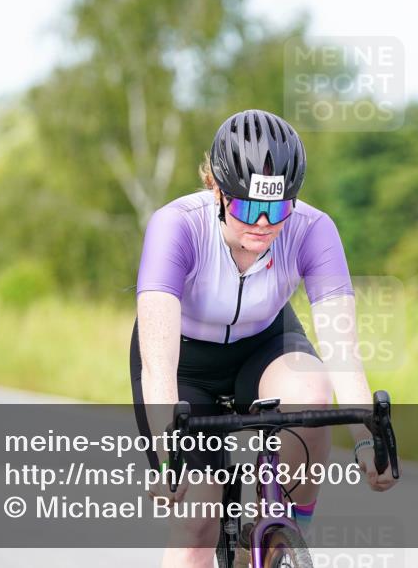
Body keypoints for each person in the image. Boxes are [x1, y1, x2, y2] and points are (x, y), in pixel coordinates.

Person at [130, 109, 396, 567]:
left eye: (277, 208)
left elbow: (341, 349)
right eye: (247, 206)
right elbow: (158, 365)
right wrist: (165, 453)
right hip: (185, 365)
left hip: (264, 345)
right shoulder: (176, 226)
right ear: (216, 190)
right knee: (196, 522)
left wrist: (367, 439)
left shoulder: (313, 229)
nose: (263, 223)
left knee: (312, 396)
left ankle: (282, 538)